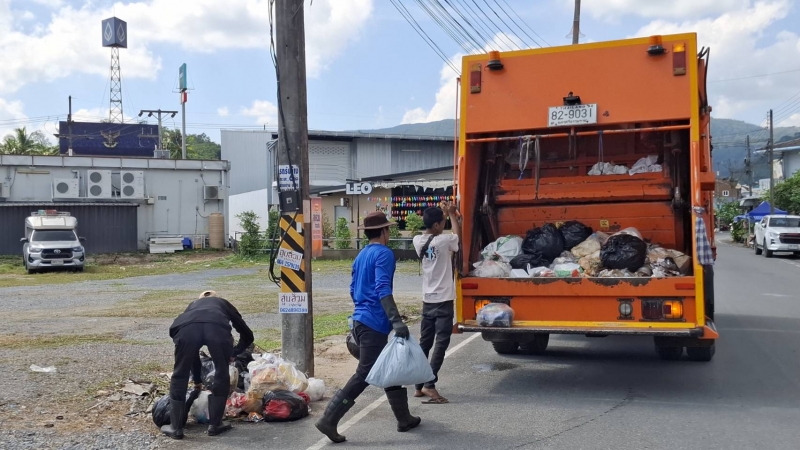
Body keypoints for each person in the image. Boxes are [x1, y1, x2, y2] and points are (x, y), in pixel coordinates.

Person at [315, 211, 421, 443]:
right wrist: (396, 321)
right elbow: (383, 288)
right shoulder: (384, 253)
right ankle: (329, 419)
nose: (389, 233)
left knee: (388, 366)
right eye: (388, 229)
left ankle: (404, 418)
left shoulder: (361, 255)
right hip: (374, 323)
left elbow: (353, 289)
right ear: (384, 231)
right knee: (365, 373)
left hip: (360, 320)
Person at [160, 291, 254, 440]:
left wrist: (197, 380)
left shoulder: (192, 305)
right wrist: (233, 352)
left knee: (180, 374)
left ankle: (176, 427)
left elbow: (192, 356)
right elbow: (247, 334)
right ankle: (215, 425)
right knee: (221, 372)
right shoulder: (222, 303)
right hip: (216, 328)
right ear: (216, 297)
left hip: (186, 329)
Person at [412, 203, 460, 404]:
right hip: (443, 299)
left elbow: (441, 235)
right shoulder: (444, 241)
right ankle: (430, 384)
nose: (445, 223)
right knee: (442, 341)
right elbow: (457, 237)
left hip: (428, 299)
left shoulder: (417, 240)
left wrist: (445, 215)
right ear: (437, 225)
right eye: (443, 222)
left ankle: (418, 385)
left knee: (425, 342)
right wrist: (453, 215)